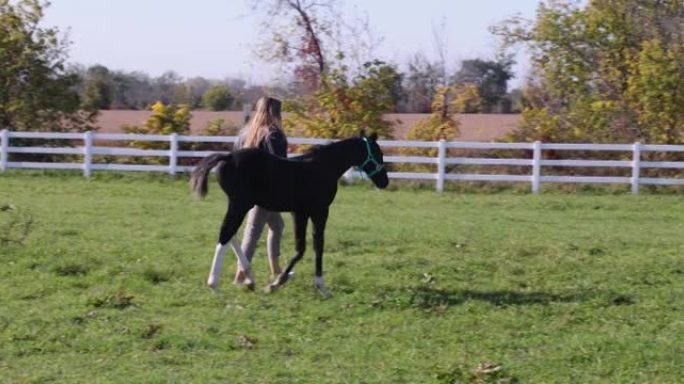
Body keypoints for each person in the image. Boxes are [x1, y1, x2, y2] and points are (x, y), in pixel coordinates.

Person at [233, 96, 288, 286]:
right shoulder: (274, 135)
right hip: (267, 191)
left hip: (249, 189)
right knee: (253, 232)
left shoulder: (245, 134)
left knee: (277, 226)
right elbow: (280, 164)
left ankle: (276, 269)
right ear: (276, 112)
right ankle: (240, 275)